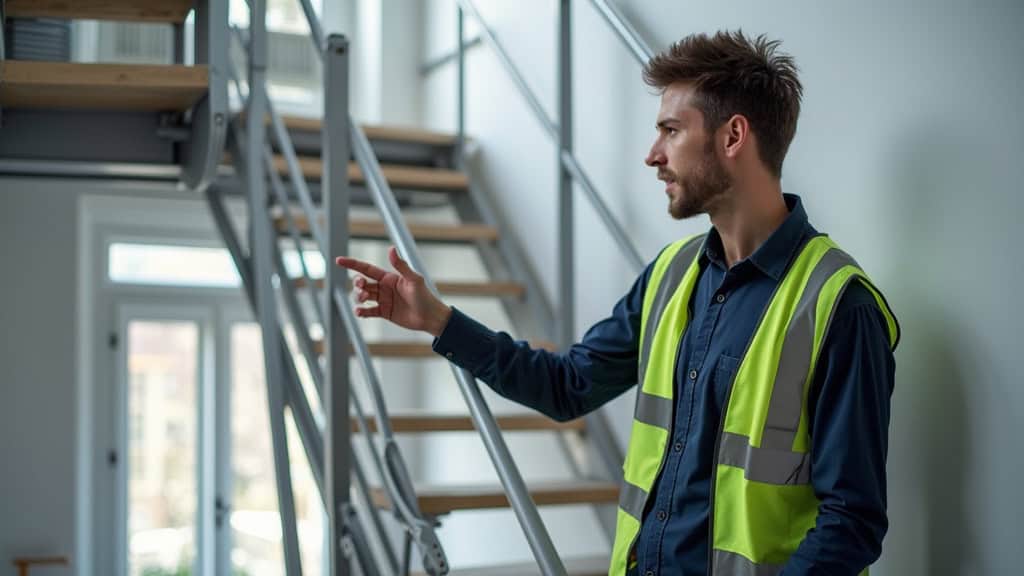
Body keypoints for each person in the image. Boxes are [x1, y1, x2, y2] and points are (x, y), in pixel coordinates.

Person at [336, 30, 899, 576]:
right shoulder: (671, 276)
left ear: (733, 137)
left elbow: (851, 521)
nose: (652, 155)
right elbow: (567, 386)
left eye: (671, 131)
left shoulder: (838, 306)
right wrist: (438, 321)